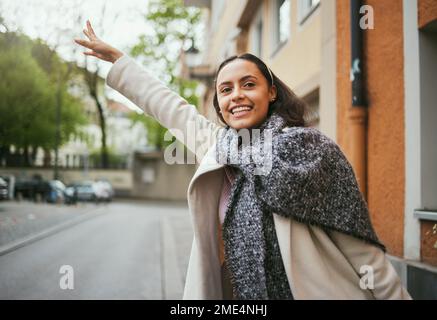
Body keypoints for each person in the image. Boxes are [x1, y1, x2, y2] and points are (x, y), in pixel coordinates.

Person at [75, 20, 411, 300]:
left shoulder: (313, 150)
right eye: (225, 89)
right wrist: (121, 60)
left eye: (248, 84)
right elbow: (170, 108)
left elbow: (364, 253)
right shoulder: (220, 147)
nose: (236, 95)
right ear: (220, 105)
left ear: (272, 92)